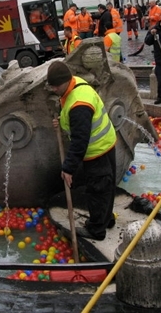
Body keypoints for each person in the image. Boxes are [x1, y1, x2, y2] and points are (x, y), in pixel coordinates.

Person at [48, 61, 117, 241]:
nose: (53, 89)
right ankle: (106, 219)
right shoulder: (76, 83)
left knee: (97, 189)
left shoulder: (79, 105)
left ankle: (96, 230)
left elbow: (80, 140)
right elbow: (73, 116)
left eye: (55, 86)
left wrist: (68, 168)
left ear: (65, 82)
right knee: (107, 187)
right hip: (107, 143)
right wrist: (62, 119)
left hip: (97, 151)